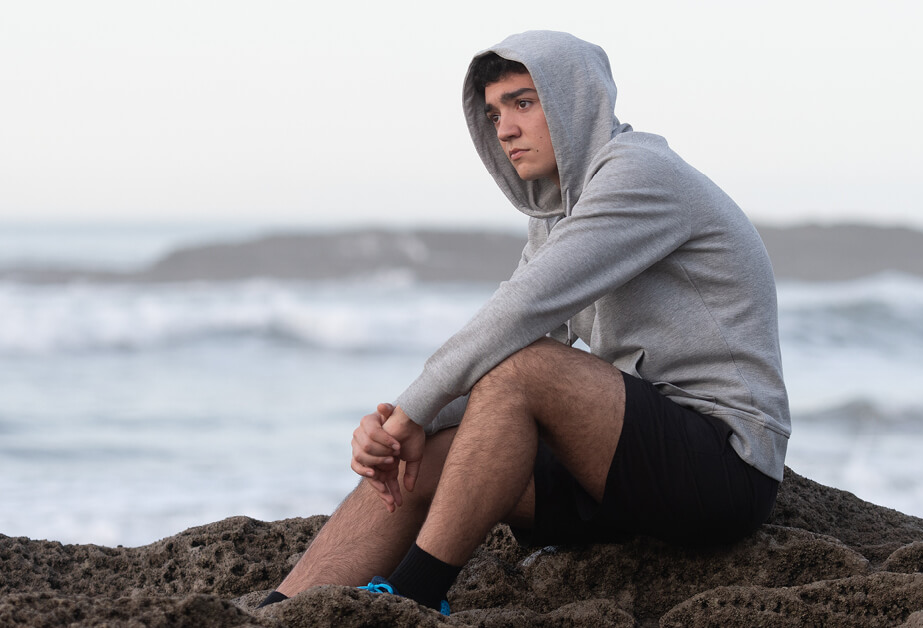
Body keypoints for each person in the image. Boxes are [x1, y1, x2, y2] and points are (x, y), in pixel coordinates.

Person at [258, 30, 790, 616]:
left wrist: (414, 407)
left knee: (524, 365)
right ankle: (278, 608)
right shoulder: (557, 211)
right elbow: (506, 345)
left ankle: (412, 600)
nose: (504, 128)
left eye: (523, 102)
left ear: (574, 100)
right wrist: (399, 428)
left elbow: (519, 320)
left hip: (722, 467)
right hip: (621, 468)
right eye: (493, 113)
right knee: (420, 460)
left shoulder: (642, 175)